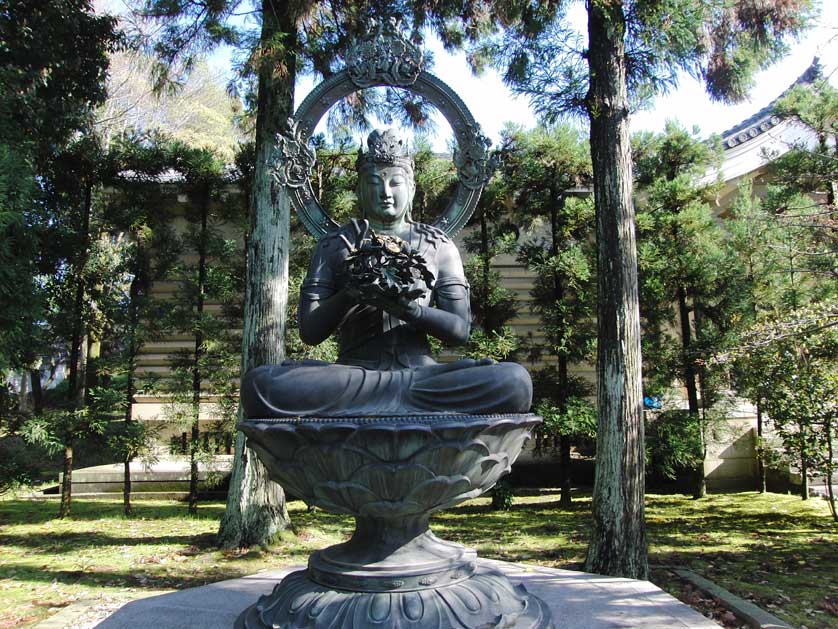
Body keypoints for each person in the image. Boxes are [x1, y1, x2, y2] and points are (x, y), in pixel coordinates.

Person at [241, 128, 532, 417]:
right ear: (359, 189)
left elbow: (459, 331)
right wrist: (350, 294)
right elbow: (310, 332)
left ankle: (385, 403)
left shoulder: (439, 245)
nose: (385, 192)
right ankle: (396, 404)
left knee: (514, 381)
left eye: (395, 183)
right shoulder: (335, 244)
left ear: (412, 188)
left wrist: (412, 311)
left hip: (421, 376)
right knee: (261, 384)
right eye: (374, 183)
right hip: (353, 375)